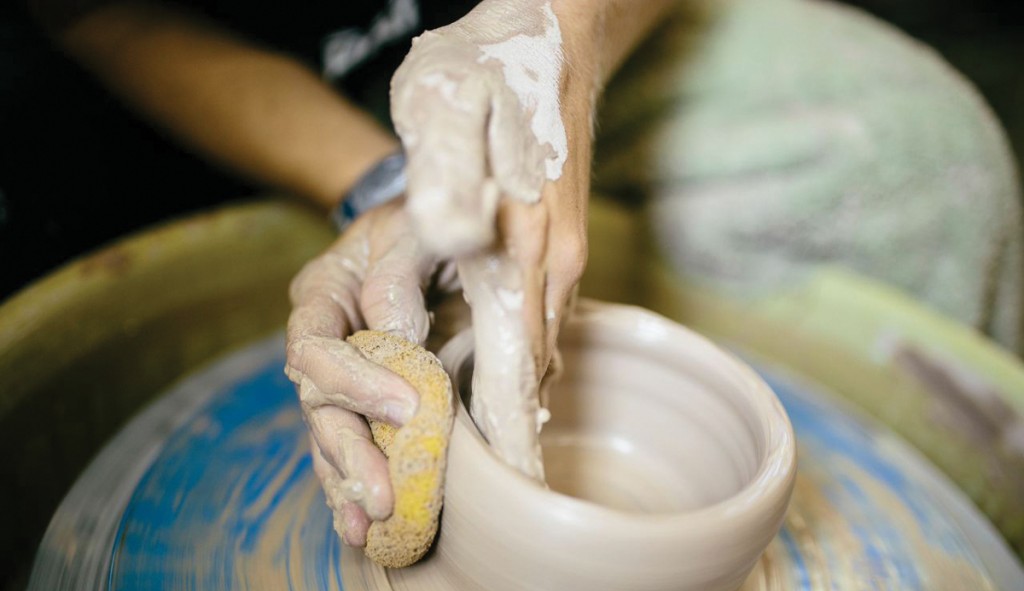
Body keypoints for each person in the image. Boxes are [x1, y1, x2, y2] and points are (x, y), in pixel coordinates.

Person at [30, 0, 1022, 548]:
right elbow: (101, 18)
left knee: (922, 164)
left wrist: (556, 43)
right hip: (268, 75)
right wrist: (380, 180)